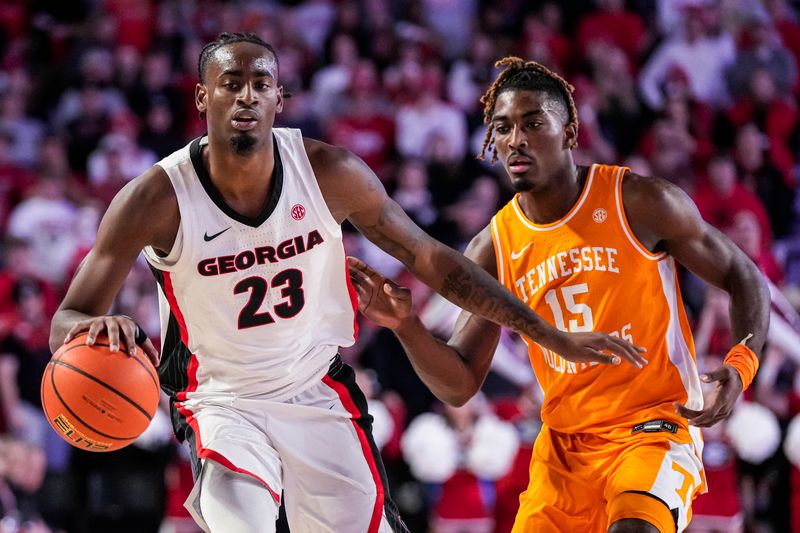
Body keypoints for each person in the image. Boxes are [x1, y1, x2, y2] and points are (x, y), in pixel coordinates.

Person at [47, 35, 643, 533]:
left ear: (281, 97)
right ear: (204, 97)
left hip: (315, 386)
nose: (247, 95)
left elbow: (433, 259)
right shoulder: (155, 198)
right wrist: (95, 325)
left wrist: (546, 333)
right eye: (231, 84)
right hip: (219, 398)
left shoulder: (329, 171)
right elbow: (65, 322)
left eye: (261, 83)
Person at [347, 56, 770, 533]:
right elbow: (460, 383)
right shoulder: (494, 246)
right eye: (502, 128)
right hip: (563, 452)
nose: (515, 139)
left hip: (652, 429)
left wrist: (741, 367)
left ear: (569, 132)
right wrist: (407, 326)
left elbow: (743, 273)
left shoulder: (638, 201)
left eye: (533, 123)